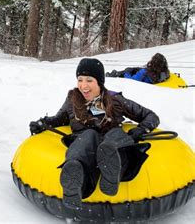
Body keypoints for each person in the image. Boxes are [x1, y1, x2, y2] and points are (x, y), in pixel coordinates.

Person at [29, 58, 159, 209]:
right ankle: (75, 176)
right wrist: (44, 123)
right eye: (80, 80)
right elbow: (60, 118)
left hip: (111, 140)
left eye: (89, 80)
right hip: (85, 143)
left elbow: (151, 116)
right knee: (88, 136)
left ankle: (112, 170)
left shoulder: (115, 99)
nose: (83, 86)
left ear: (99, 82)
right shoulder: (73, 99)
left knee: (114, 137)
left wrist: (139, 130)